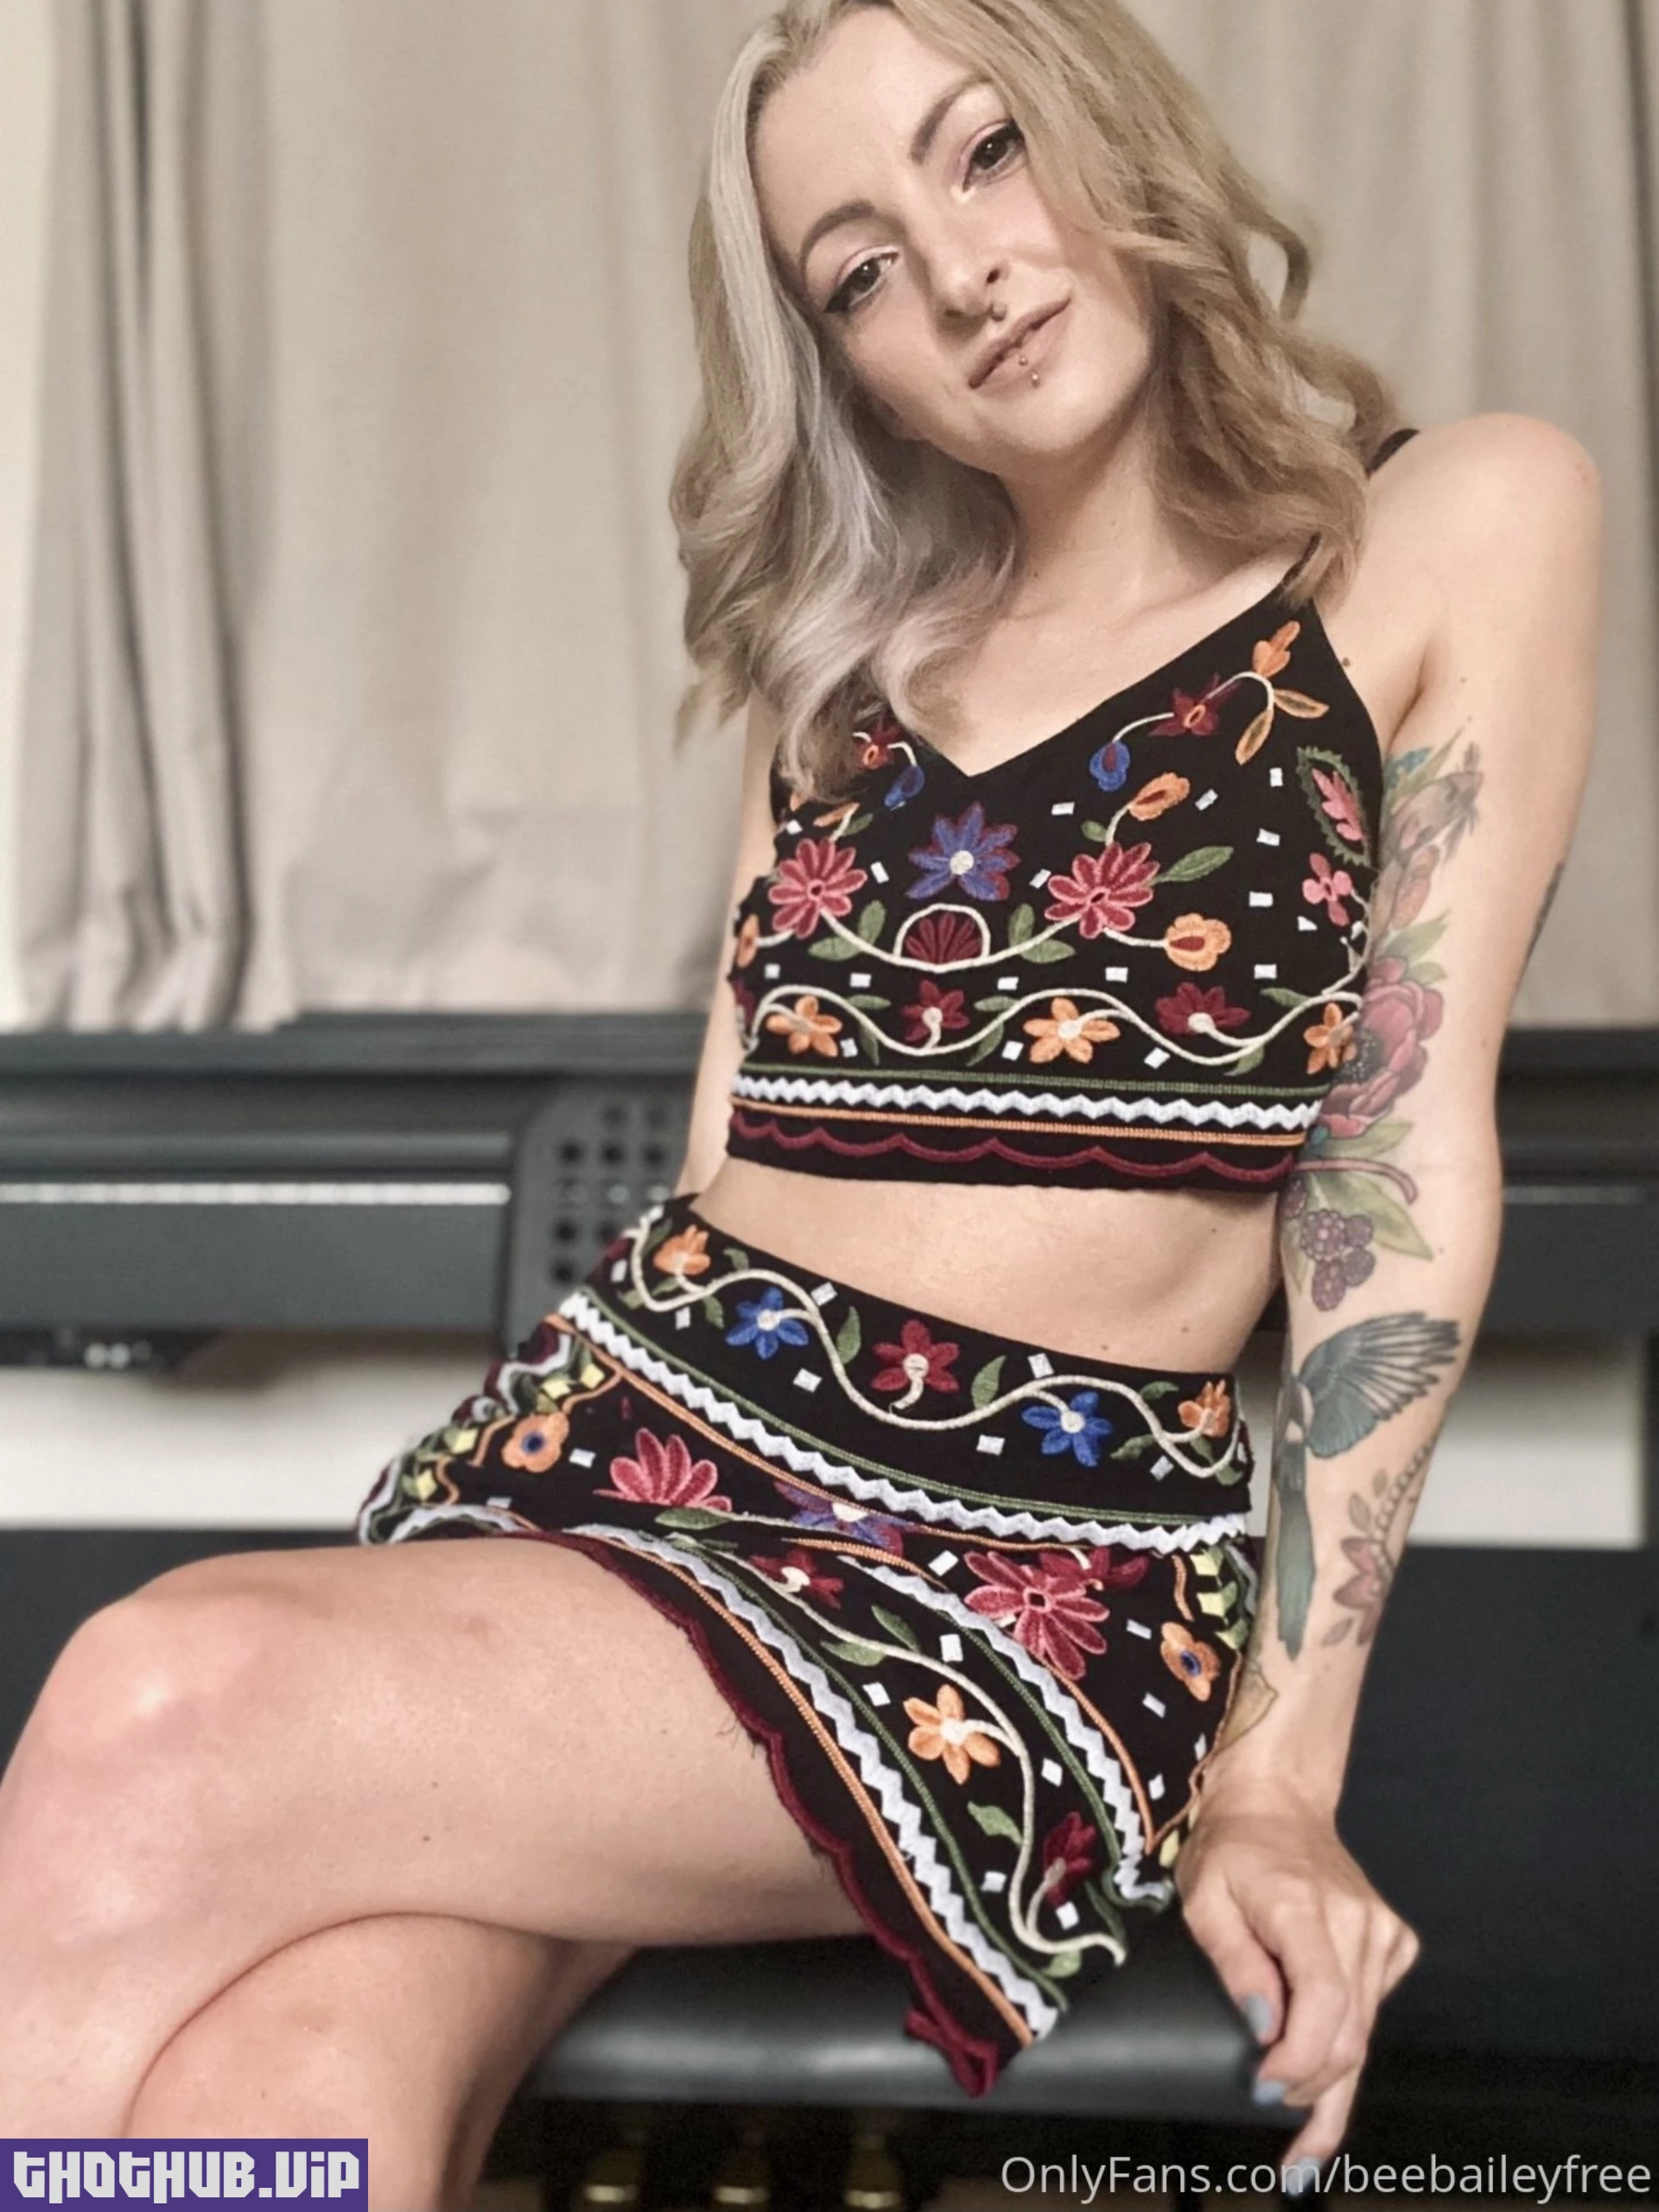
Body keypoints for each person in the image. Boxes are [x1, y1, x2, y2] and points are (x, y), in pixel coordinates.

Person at [0, 1, 1599, 2202]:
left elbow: (1391, 1159)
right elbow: (722, 1162)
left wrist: (1278, 1766)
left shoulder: (1453, 522)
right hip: (623, 1456)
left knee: (155, 1694)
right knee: (292, 2065)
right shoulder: (850, 664)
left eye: (987, 150)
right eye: (856, 270)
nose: (960, 270)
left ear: (1108, 120)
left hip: (1007, 1574)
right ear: (846, 367)